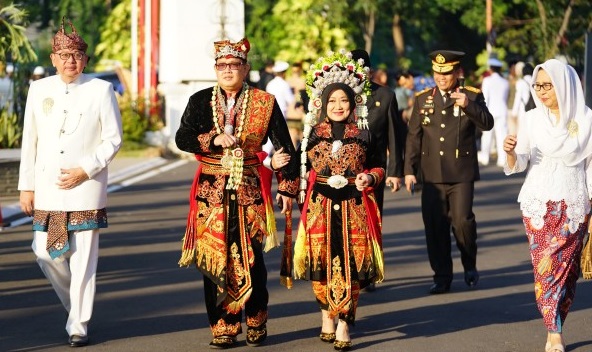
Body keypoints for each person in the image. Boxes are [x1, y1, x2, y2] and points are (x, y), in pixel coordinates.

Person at [174, 37, 299, 349]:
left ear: (246, 68)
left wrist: (287, 185)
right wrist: (213, 139)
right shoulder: (200, 100)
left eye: (234, 64)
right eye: (222, 65)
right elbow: (182, 137)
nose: (228, 70)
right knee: (213, 258)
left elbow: (285, 146)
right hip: (210, 193)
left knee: (251, 256)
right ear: (215, 69)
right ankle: (223, 325)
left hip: (249, 190)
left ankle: (256, 319)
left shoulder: (264, 102)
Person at [17, 18, 123, 347]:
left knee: (83, 259)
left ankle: (79, 325)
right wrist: (27, 185)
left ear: (85, 60)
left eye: (76, 55)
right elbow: (29, 140)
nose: (70, 61)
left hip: (85, 187)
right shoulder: (39, 89)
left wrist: (86, 168)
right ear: (52, 59)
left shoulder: (101, 90)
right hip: (47, 187)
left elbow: (113, 139)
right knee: (44, 253)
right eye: (63, 55)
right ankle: (73, 308)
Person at [291, 50, 384, 350]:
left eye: (344, 100)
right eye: (332, 101)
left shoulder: (364, 135)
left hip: (353, 207)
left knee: (351, 266)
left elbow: (380, 166)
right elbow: (297, 167)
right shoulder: (313, 135)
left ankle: (345, 323)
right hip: (319, 206)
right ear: (322, 103)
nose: (339, 106)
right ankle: (326, 316)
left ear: (353, 102)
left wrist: (369, 178)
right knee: (320, 264)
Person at [502, 59, 592, 352]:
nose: (540, 91)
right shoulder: (531, 119)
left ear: (564, 85)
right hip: (538, 204)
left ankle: (558, 321)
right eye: (537, 85)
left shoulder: (587, 119)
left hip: (574, 203)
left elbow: (591, 168)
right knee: (545, 269)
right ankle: (553, 331)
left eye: (546, 85)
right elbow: (520, 163)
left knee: (567, 272)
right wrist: (512, 153)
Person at [404, 50, 494, 294]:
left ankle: (469, 264)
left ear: (457, 72)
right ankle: (442, 276)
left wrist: (469, 107)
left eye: (446, 73)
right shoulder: (423, 99)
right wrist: (409, 170)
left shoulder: (471, 96)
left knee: (463, 222)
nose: (441, 78)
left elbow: (487, 123)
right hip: (431, 174)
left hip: (461, 173)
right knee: (435, 226)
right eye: (437, 73)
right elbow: (414, 137)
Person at [350, 49, 404, 293]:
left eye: (361, 71)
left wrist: (395, 171)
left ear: (370, 72)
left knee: (371, 218)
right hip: (343, 169)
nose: (356, 76)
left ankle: (368, 269)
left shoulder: (385, 95)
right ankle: (348, 268)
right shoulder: (338, 96)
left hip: (374, 170)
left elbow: (395, 135)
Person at [478, 57, 509, 167]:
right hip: (502, 110)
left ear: (490, 68)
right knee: (502, 135)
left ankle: (485, 157)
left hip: (490, 110)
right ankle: (502, 159)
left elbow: (485, 98)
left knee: (487, 135)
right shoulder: (505, 82)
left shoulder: (487, 80)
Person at [510, 61, 534, 133]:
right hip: (535, 110)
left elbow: (517, 98)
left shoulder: (520, 82)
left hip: (523, 111)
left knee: (523, 132)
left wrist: (514, 113)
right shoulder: (535, 81)